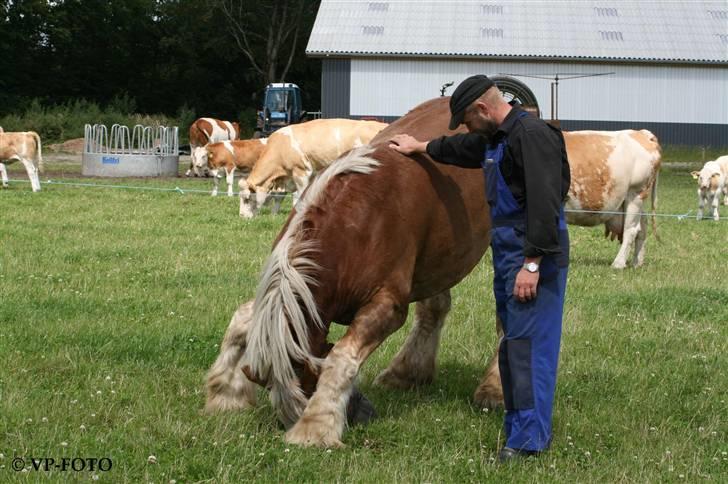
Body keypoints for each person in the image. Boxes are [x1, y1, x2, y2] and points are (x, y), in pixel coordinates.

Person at [389, 75, 570, 463]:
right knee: (513, 345)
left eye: (468, 120)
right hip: (509, 252)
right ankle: (519, 428)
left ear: (483, 110)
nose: (467, 129)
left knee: (527, 347)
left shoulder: (533, 136)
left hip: (531, 253)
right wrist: (420, 146)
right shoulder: (497, 138)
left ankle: (527, 442)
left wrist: (532, 264)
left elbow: (545, 202)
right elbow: (462, 148)